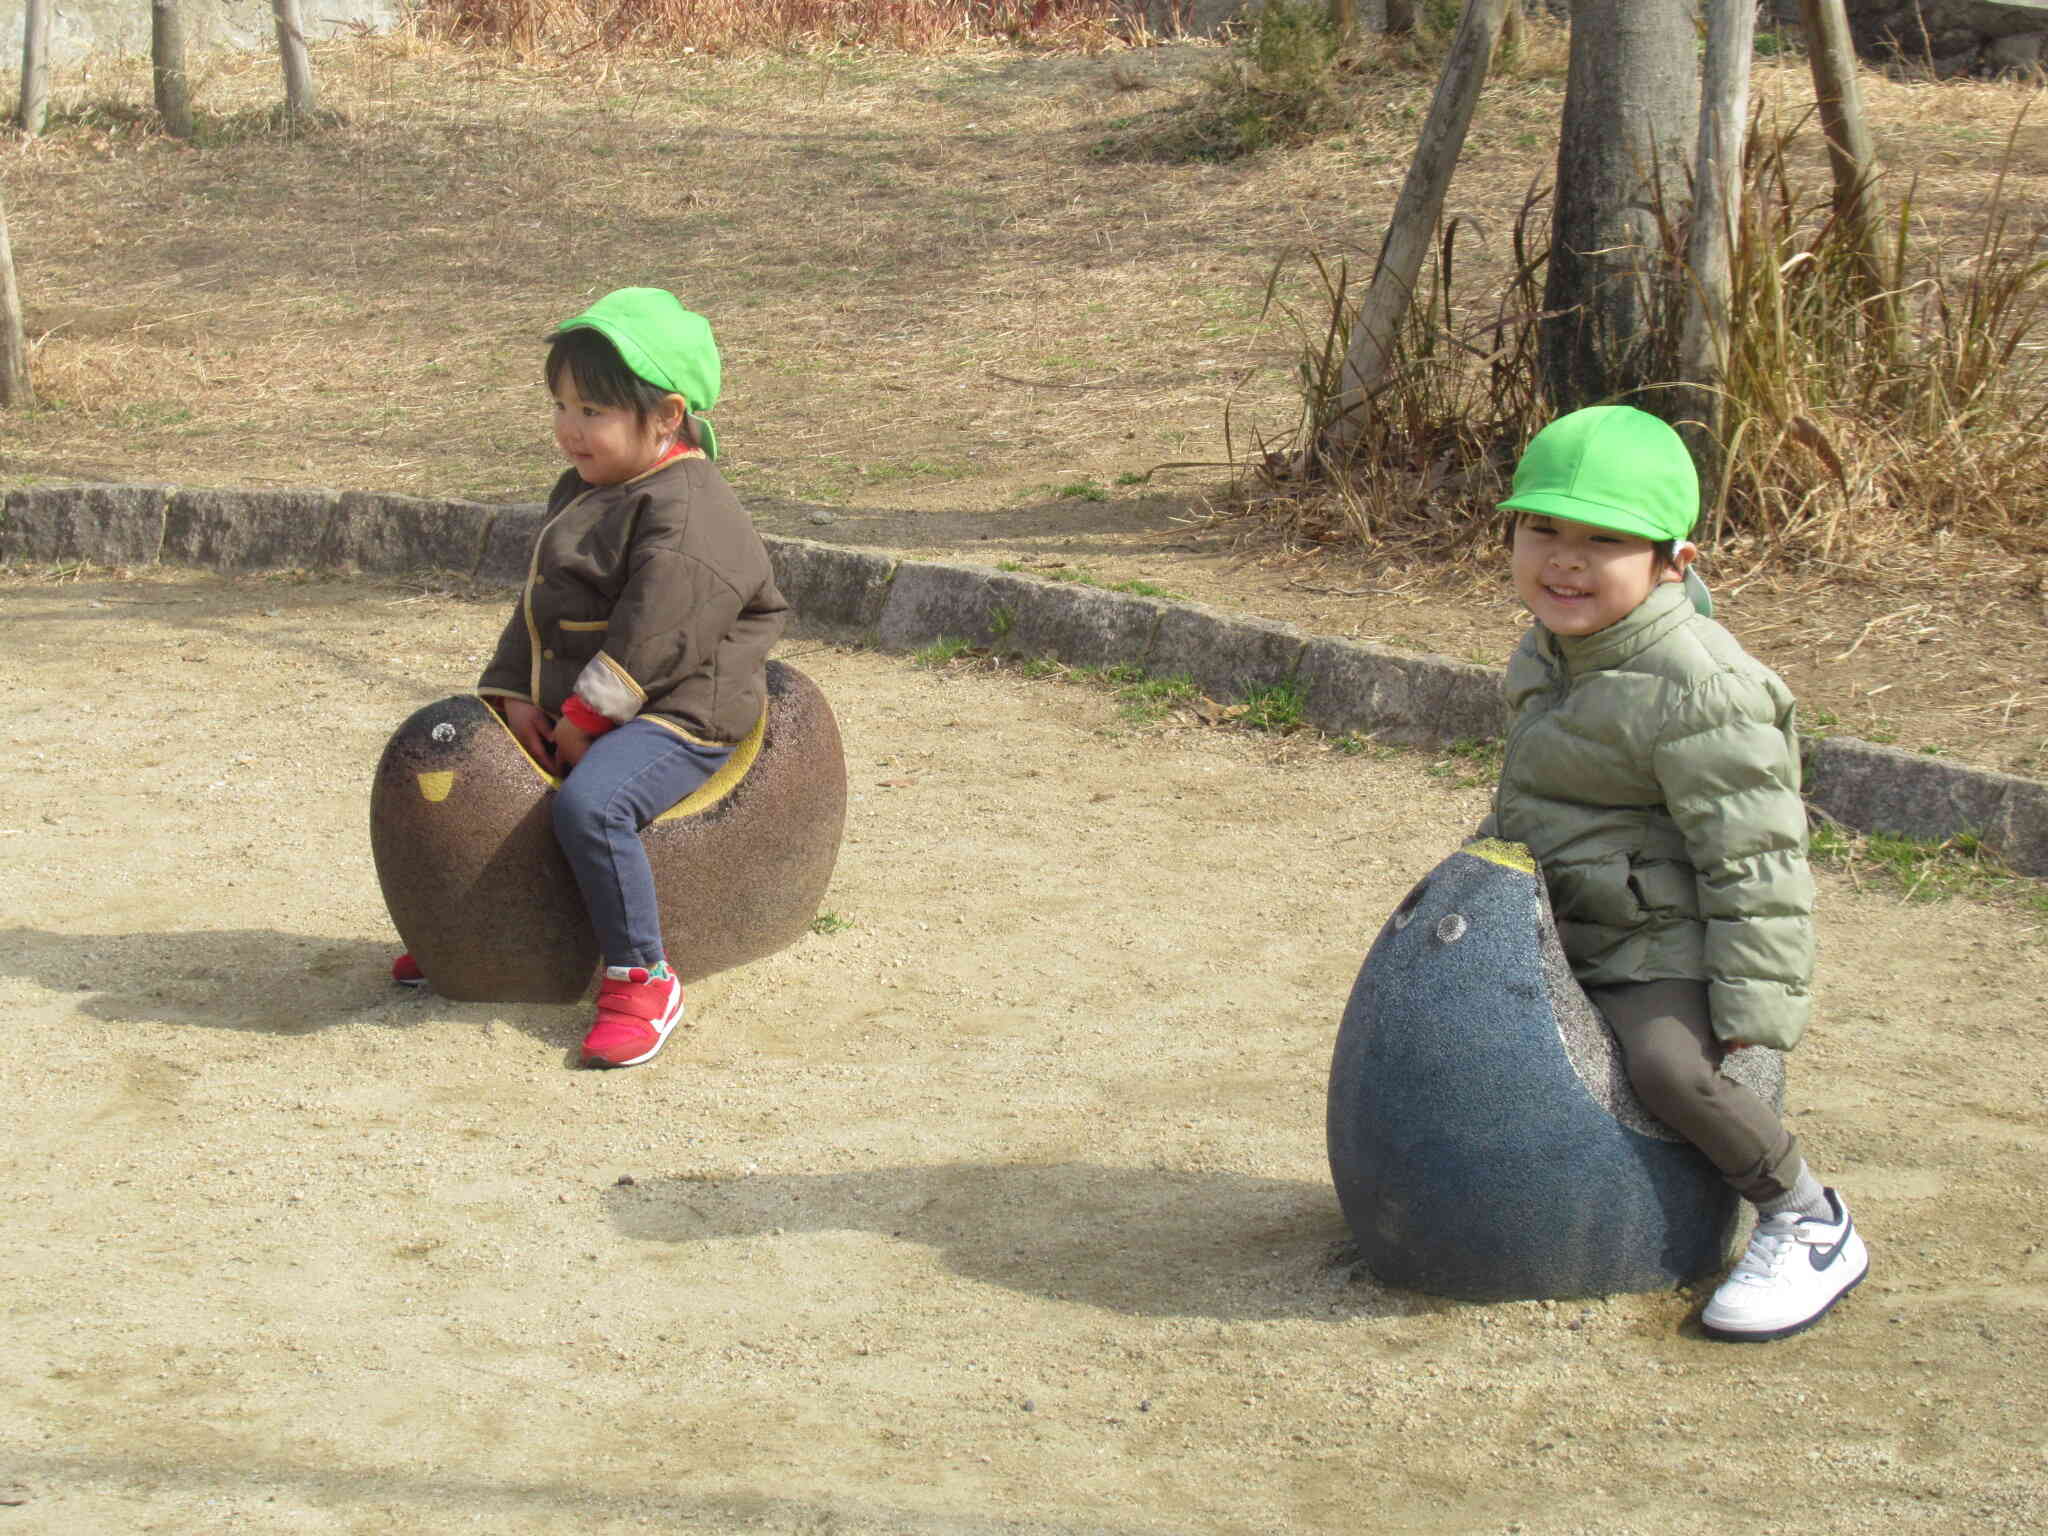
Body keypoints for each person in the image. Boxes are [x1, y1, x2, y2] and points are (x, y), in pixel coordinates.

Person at [1479, 404, 1868, 1340]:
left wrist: (1751, 1023)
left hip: (1661, 936)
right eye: (1544, 530)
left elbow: (1757, 862)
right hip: (1569, 904)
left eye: (1603, 540)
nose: (1565, 561)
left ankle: (1806, 1218)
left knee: (1668, 1069)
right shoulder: (1556, 645)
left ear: (1672, 563)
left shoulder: (1703, 689)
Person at [394, 287, 788, 1069]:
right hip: (598, 694)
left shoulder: (689, 508)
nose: (570, 429)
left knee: (594, 804)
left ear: (668, 415)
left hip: (682, 706)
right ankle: (490, 938)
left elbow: (659, 638)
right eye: (561, 405)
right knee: (483, 768)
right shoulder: (591, 485)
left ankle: (643, 975)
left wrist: (584, 720)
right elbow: (544, 603)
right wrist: (511, 693)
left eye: (593, 412)